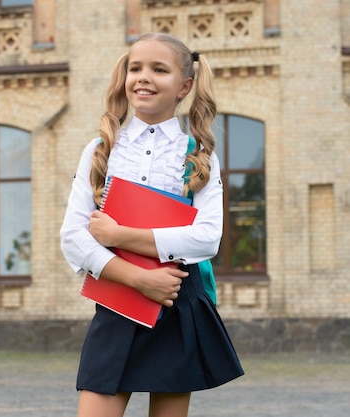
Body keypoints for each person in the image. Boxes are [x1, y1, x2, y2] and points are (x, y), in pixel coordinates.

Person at [59, 32, 244, 417]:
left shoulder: (200, 153)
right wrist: (137, 278)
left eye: (159, 70)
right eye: (135, 68)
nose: (143, 77)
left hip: (179, 300)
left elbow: (207, 238)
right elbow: (73, 237)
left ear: (185, 86)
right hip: (118, 298)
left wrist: (120, 236)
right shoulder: (101, 149)